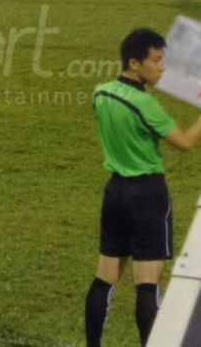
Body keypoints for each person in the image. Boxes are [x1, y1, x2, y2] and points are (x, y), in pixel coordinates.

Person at [85, 28, 201, 347]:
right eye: (157, 60)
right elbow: (186, 142)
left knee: (104, 278)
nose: (162, 67)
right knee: (147, 284)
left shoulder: (101, 92)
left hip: (115, 193)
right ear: (135, 63)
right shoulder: (146, 105)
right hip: (147, 196)